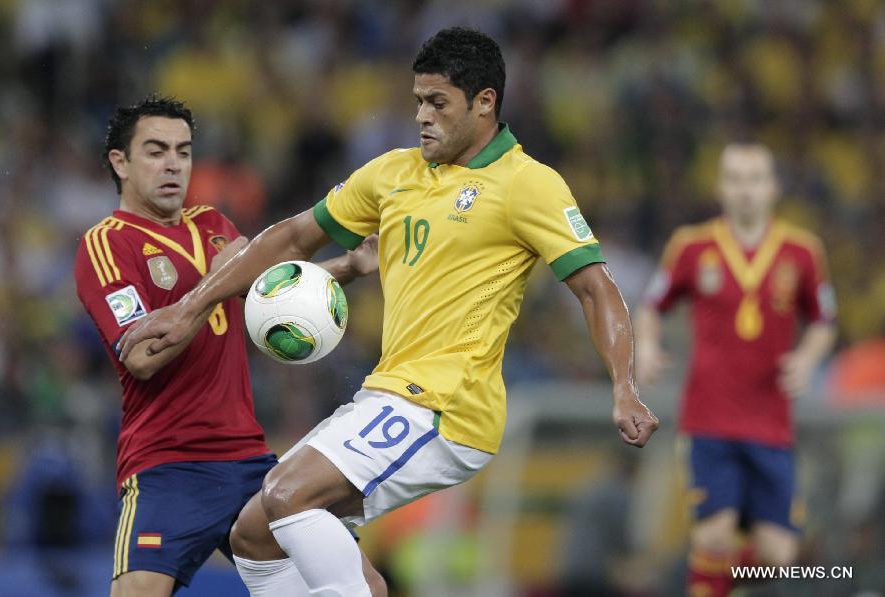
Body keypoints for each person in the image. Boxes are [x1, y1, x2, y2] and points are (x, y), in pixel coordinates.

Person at [119, 28, 659, 597]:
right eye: (418, 102)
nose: (422, 116)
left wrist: (622, 385)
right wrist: (192, 306)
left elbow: (596, 288)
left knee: (287, 495)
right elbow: (296, 237)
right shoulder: (392, 173)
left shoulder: (529, 185)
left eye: (438, 103)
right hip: (389, 394)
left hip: (447, 404)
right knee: (255, 533)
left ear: (485, 103)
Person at [73, 95, 383, 596]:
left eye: (183, 151)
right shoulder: (108, 244)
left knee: (363, 583)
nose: (173, 163)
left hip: (248, 463)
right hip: (168, 467)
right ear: (120, 163)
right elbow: (140, 358)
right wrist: (212, 285)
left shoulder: (214, 226)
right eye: (155, 151)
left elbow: (265, 298)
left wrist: (347, 267)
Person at [635, 143, 837, 597]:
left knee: (778, 556)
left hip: (771, 421)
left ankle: (712, 579)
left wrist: (806, 359)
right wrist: (646, 346)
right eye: (736, 179)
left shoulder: (803, 252)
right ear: (720, 187)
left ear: (774, 187)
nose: (746, 190)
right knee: (714, 535)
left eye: (755, 179)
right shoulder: (691, 247)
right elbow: (651, 305)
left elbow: (824, 321)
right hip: (709, 418)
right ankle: (708, 576)